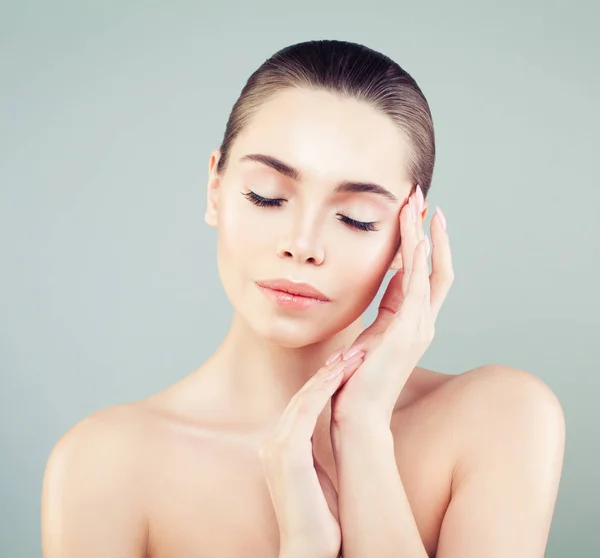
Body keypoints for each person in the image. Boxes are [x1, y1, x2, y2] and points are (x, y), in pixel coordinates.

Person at [41, 39, 565, 558]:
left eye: (357, 217)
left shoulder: (499, 419)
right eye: (266, 195)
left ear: (407, 234)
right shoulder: (104, 465)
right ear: (214, 190)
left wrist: (361, 432)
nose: (303, 245)